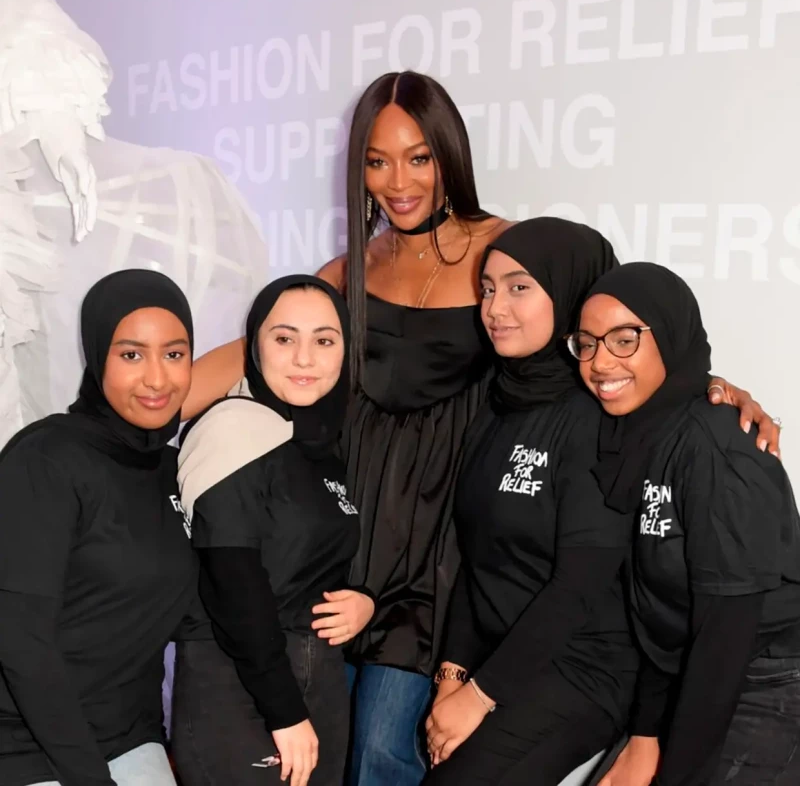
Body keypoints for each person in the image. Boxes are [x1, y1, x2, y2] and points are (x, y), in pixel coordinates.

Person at [180, 71, 780, 786]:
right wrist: (136, 395)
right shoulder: (347, 273)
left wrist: (710, 387)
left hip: (441, 554)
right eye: (377, 160)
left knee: (384, 752)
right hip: (355, 537)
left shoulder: (504, 250)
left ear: (450, 155)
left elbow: (625, 330)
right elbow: (257, 354)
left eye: (419, 157)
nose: (397, 180)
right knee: (328, 756)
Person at [422, 218, 637, 785]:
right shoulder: (496, 403)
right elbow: (478, 558)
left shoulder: (598, 416)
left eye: (519, 287)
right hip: (500, 665)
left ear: (569, 294)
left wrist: (478, 697)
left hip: (580, 671)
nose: (495, 307)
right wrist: (451, 675)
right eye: (488, 288)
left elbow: (578, 588)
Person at [570, 262, 800, 786]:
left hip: (771, 679)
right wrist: (646, 735)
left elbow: (724, 633)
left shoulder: (716, 448)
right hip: (690, 676)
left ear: (671, 338)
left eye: (624, 339)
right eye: (586, 343)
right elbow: (661, 611)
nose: (600, 361)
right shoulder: (637, 435)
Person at [170, 275, 374, 786]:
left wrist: (363, 600)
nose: (305, 358)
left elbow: (308, 565)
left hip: (318, 681)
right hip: (239, 688)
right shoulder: (232, 430)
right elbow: (234, 585)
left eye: (324, 340)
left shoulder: (319, 444)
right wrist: (284, 713)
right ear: (255, 346)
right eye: (284, 339)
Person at [0, 269, 196, 786]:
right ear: (96, 355)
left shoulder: (172, 469)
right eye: (131, 354)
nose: (157, 378)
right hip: (23, 745)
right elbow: (19, 640)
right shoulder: (45, 458)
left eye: (175, 354)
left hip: (130, 738)